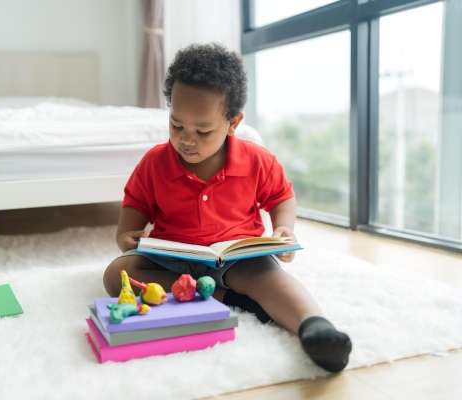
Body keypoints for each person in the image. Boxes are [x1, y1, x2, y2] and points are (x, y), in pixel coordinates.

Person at [103, 43, 351, 372]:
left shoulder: (257, 160)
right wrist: (125, 236)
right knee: (116, 274)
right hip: (171, 261)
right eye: (176, 125)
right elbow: (135, 205)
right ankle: (232, 301)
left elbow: (282, 197)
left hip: (237, 258)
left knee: (273, 281)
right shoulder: (154, 162)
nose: (186, 139)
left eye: (203, 130)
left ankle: (315, 328)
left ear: (233, 122)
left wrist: (284, 227)